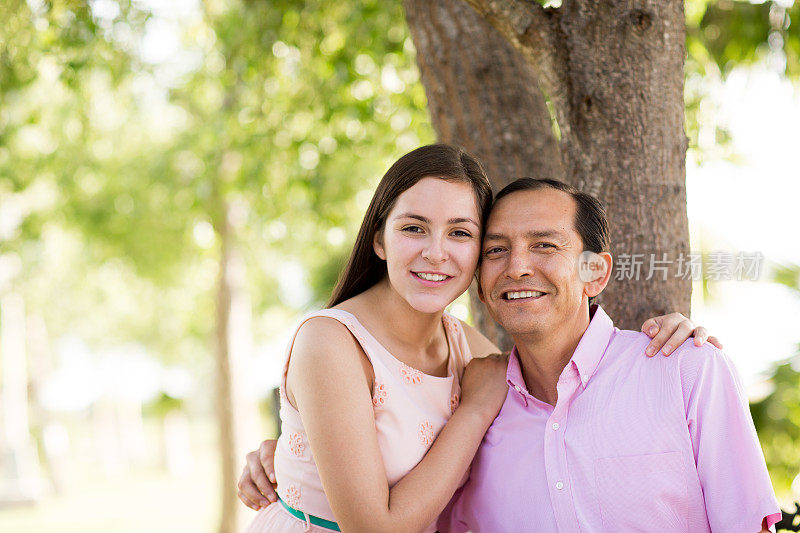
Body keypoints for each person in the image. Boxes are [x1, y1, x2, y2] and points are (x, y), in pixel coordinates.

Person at [241, 145, 719, 532]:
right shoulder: (332, 343)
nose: (436, 253)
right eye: (413, 228)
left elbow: (561, 413)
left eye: (460, 233)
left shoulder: (470, 349)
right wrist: (472, 411)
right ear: (380, 239)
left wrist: (678, 341)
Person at [438, 178, 781, 532]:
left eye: (544, 245)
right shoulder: (470, 412)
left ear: (595, 273)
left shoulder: (688, 370)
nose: (516, 267)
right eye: (496, 250)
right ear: (479, 283)